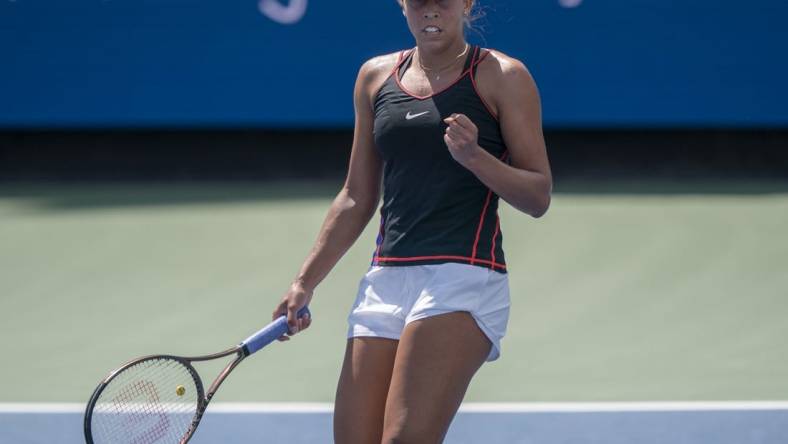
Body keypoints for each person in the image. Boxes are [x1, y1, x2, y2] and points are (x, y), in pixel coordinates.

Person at [271, 0, 552, 442]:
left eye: (443, 0)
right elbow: (356, 195)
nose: (431, 10)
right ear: (403, 6)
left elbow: (538, 195)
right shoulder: (375, 77)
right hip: (386, 280)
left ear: (466, 4)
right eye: (419, 1)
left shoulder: (502, 76)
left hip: (464, 276)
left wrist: (475, 157)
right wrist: (304, 281)